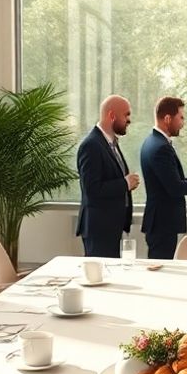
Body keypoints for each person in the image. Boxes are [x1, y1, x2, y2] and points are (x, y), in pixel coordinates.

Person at [140, 96, 187, 260]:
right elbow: (174, 188)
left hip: (160, 222)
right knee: (161, 270)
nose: (182, 123)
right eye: (181, 117)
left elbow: (170, 181)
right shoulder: (160, 148)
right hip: (162, 222)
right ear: (167, 118)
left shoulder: (152, 142)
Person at [75, 95, 140, 258]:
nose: (129, 120)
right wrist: (125, 184)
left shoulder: (111, 144)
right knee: (101, 277)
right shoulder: (91, 145)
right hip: (99, 229)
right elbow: (92, 189)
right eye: (126, 114)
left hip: (111, 227)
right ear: (112, 115)